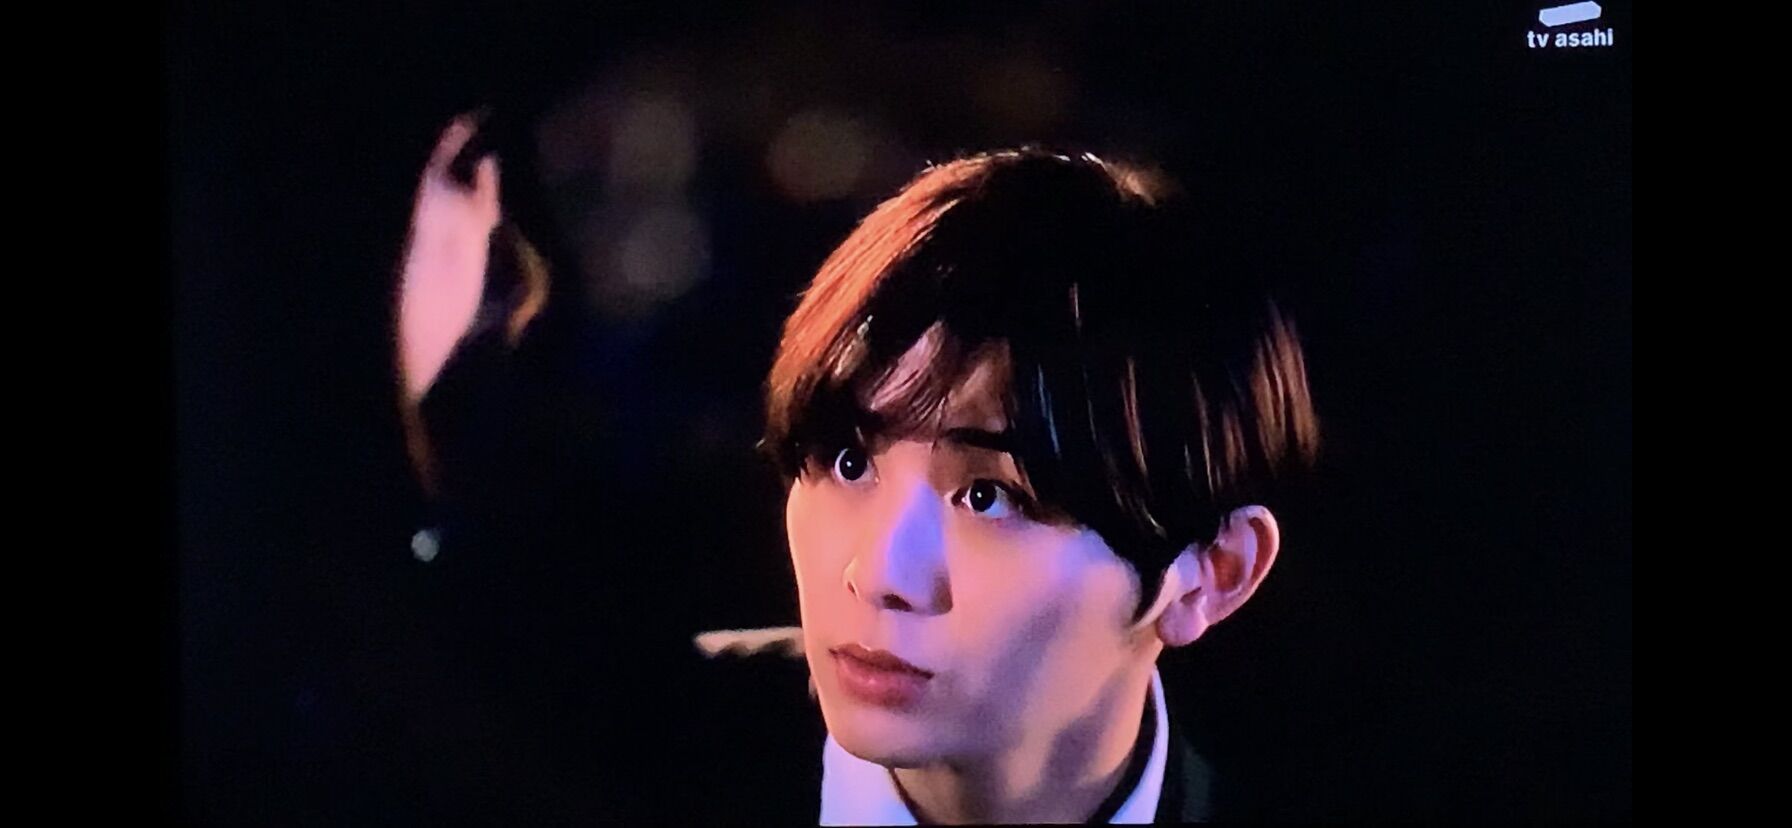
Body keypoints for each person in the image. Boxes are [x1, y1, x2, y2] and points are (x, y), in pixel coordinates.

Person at [396, 114, 1320, 824]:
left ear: (1212, 573)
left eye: (989, 496)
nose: (878, 572)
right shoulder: (576, 767)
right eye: (846, 460)